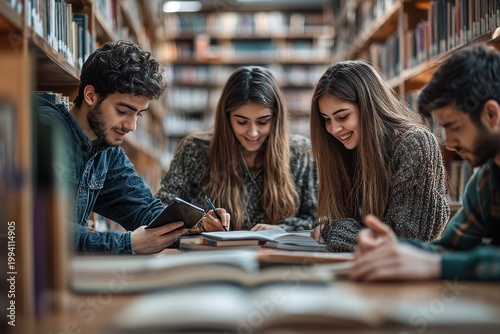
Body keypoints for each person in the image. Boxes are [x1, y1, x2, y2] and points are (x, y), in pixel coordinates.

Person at [36, 41, 229, 254]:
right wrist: (128, 244)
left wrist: (199, 225)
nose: (131, 126)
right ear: (90, 95)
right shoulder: (44, 130)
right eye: (122, 111)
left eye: (138, 114)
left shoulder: (107, 152)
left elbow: (145, 212)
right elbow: (40, 228)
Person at [350, 44, 500, 281]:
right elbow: (448, 249)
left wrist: (439, 266)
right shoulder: (486, 181)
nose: (449, 143)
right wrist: (394, 248)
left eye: (454, 126)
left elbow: (441, 260)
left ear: (491, 114)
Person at [310, 60, 449, 252]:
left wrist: (337, 231)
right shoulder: (346, 150)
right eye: (326, 120)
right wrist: (329, 225)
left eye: (342, 117)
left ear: (369, 107)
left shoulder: (415, 144)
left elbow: (406, 243)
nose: (333, 129)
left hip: (409, 277)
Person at [156, 66, 317, 231]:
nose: (253, 132)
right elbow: (162, 208)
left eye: (263, 122)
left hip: (279, 255)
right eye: (242, 122)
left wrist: (283, 230)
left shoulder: (300, 153)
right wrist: (200, 225)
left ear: (276, 118)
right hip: (211, 255)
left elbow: (317, 218)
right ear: (226, 117)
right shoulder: (195, 151)